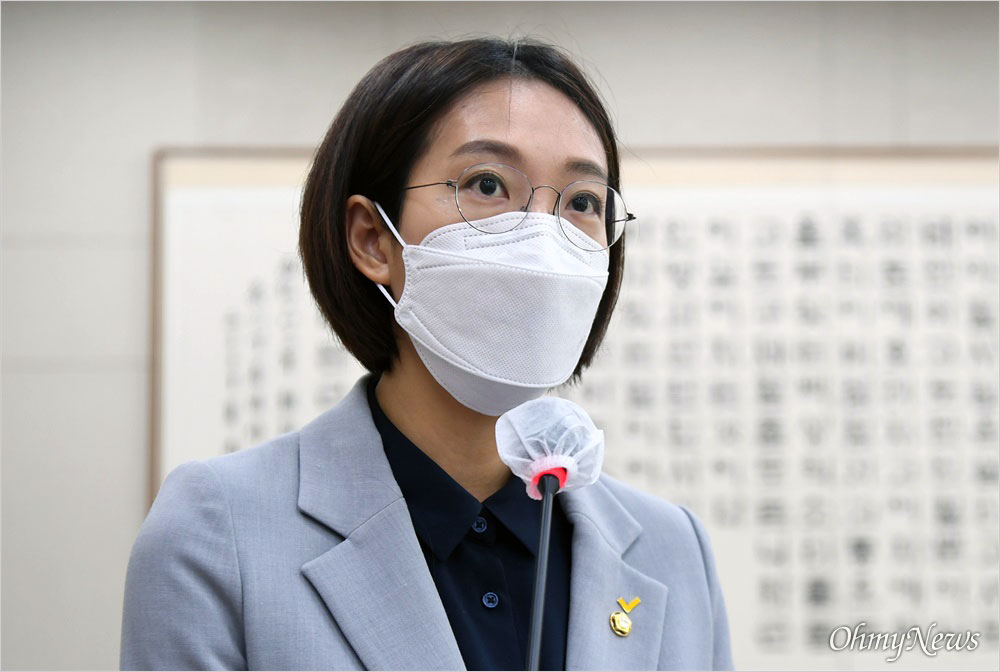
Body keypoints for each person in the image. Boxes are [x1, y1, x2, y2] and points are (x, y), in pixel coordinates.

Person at [120, 37, 734, 671]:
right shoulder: (219, 531)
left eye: (582, 202)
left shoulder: (673, 550)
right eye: (487, 184)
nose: (542, 241)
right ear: (372, 239)